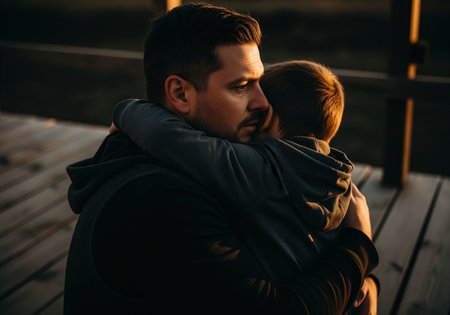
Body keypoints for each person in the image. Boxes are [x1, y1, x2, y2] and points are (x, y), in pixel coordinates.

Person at [64, 3, 378, 314]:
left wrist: (366, 284)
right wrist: (357, 247)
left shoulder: (200, 172)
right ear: (181, 94)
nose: (262, 102)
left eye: (259, 81)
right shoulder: (164, 200)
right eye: (241, 87)